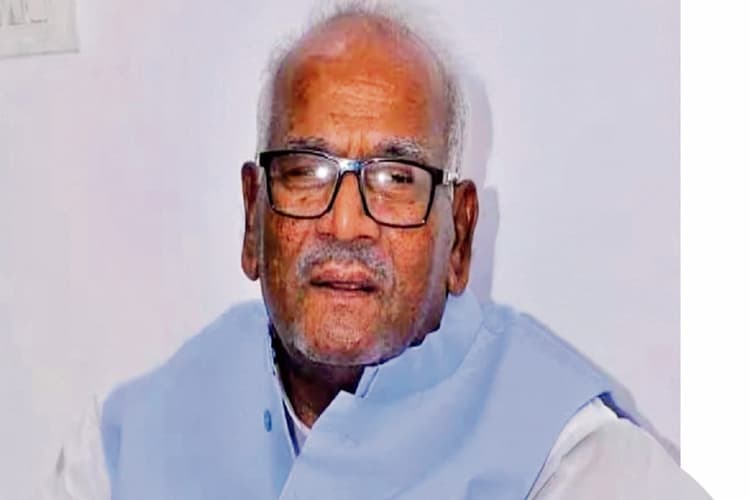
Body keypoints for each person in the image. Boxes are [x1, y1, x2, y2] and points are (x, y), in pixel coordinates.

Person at [45, 3, 710, 499]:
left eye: (395, 179)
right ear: (253, 218)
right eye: (307, 171)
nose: (346, 223)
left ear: (460, 236)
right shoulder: (121, 452)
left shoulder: (568, 461)